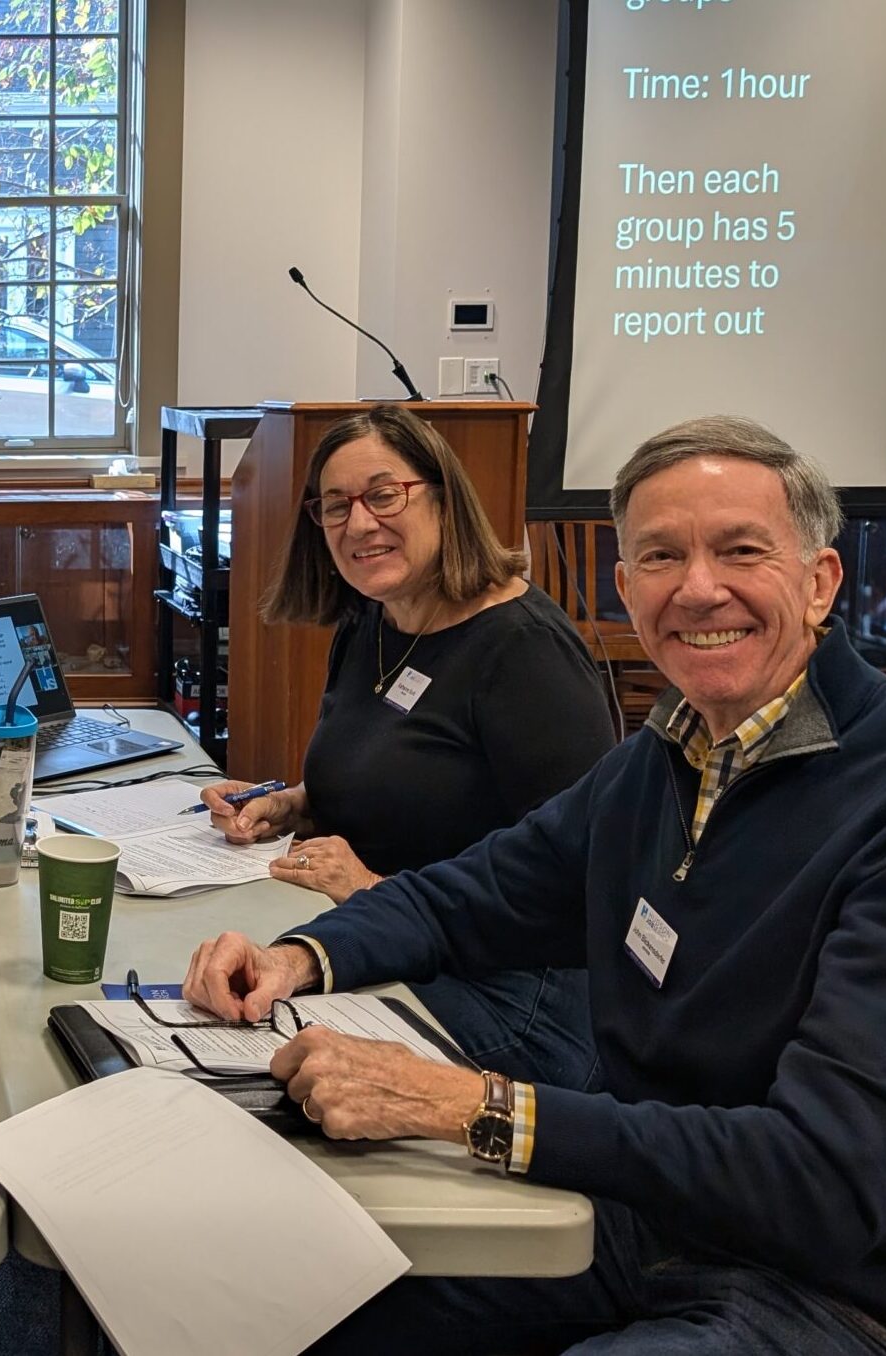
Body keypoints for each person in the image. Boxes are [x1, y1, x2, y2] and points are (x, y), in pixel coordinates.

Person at [185, 417, 886, 1354]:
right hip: (662, 1221)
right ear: (626, 587)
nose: (698, 588)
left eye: (739, 551)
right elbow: (471, 893)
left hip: (868, 1302)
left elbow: (820, 1182)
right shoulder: (668, 758)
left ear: (820, 584)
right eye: (660, 556)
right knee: (291, 1298)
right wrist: (298, 956)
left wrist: (466, 1105)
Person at [201, 403, 614, 1089]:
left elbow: (582, 882)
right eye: (335, 507)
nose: (359, 523)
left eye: (384, 495)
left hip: (516, 991)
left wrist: (370, 888)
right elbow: (414, 784)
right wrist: (291, 806)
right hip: (381, 942)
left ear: (444, 498)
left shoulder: (524, 652)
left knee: (259, 1063)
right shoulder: (375, 621)